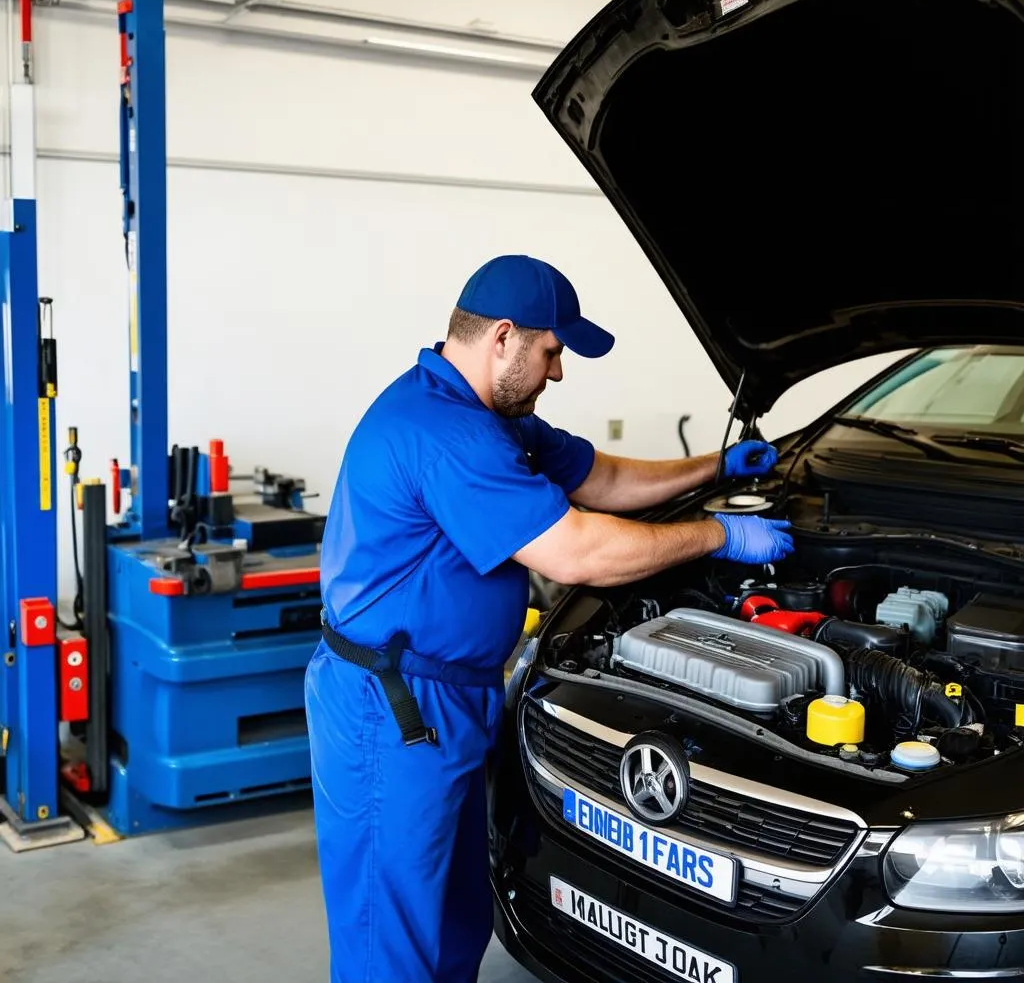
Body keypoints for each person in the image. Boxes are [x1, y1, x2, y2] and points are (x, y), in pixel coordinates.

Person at [305, 254, 794, 983]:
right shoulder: (441, 432)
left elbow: (603, 477)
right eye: (552, 352)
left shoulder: (494, 420)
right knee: (393, 934)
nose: (558, 372)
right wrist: (720, 534)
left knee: (454, 912)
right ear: (503, 337)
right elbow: (577, 552)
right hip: (393, 710)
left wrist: (716, 468)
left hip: (454, 696)